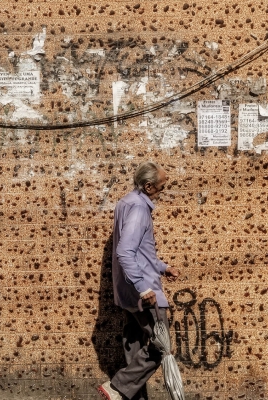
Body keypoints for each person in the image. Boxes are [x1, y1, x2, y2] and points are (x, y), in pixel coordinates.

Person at [98, 162, 181, 400]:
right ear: (148, 186)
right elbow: (125, 252)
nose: (163, 190)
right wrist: (144, 288)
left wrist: (163, 267)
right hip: (143, 292)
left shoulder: (125, 203)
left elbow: (140, 252)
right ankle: (118, 386)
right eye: (161, 186)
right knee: (161, 346)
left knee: (134, 348)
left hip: (128, 291)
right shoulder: (138, 209)